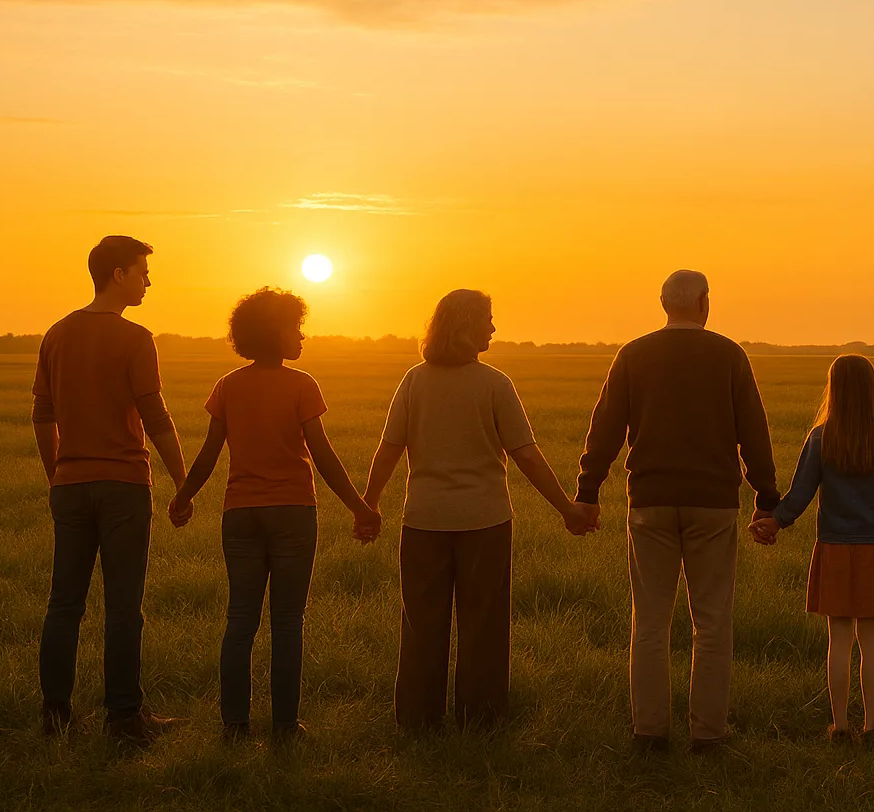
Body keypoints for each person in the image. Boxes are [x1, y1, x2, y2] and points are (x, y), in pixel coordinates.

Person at [361, 290, 590, 730]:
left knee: (421, 627)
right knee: (483, 626)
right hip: (485, 523)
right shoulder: (494, 384)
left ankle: (417, 722)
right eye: (487, 319)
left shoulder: (414, 380)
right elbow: (525, 454)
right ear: (466, 325)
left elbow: (389, 450)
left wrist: (369, 506)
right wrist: (566, 509)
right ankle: (481, 724)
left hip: (424, 522)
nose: (493, 327)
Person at [576, 270, 779, 754]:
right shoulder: (729, 355)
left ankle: (650, 733)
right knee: (711, 623)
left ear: (663, 303)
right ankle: (708, 735)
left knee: (649, 623)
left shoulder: (634, 354)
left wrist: (588, 491)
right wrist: (767, 499)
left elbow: (604, 428)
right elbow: (754, 432)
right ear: (705, 303)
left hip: (649, 500)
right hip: (714, 504)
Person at [169, 288, 382, 741]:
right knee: (287, 621)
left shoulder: (229, 385)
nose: (302, 337)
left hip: (241, 514)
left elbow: (210, 453)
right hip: (292, 513)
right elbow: (322, 455)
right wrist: (361, 508)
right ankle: (285, 726)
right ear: (273, 332)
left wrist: (183, 496)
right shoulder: (302, 385)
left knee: (240, 619)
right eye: (295, 327)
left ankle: (234, 727)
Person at [32, 236, 189, 741]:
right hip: (123, 486)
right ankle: (124, 717)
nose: (148, 280)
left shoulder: (57, 333)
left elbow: (42, 414)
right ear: (117, 274)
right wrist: (183, 481)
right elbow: (156, 417)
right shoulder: (136, 338)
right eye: (142, 271)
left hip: (71, 485)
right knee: (123, 605)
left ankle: (55, 715)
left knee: (64, 603)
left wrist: (55, 472)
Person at [751, 355, 874, 744]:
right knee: (870, 640)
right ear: (871, 390)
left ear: (833, 389)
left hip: (833, 548)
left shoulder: (821, 438)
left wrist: (775, 521)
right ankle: (871, 725)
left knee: (838, 639)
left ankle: (839, 725)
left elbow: (800, 493)